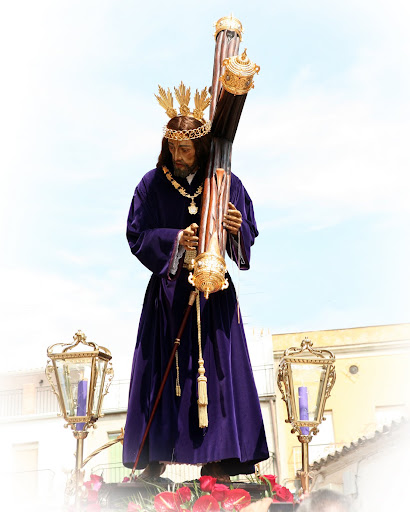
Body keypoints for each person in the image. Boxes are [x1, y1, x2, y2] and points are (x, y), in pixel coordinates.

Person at [123, 88, 268, 482]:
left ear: (200, 147)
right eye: (173, 148)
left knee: (219, 372)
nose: (178, 155)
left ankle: (221, 459)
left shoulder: (225, 182)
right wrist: (176, 239)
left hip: (214, 293)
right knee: (161, 371)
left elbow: (247, 236)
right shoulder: (151, 184)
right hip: (169, 295)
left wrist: (236, 229)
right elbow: (137, 234)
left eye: (185, 149)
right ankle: (153, 459)